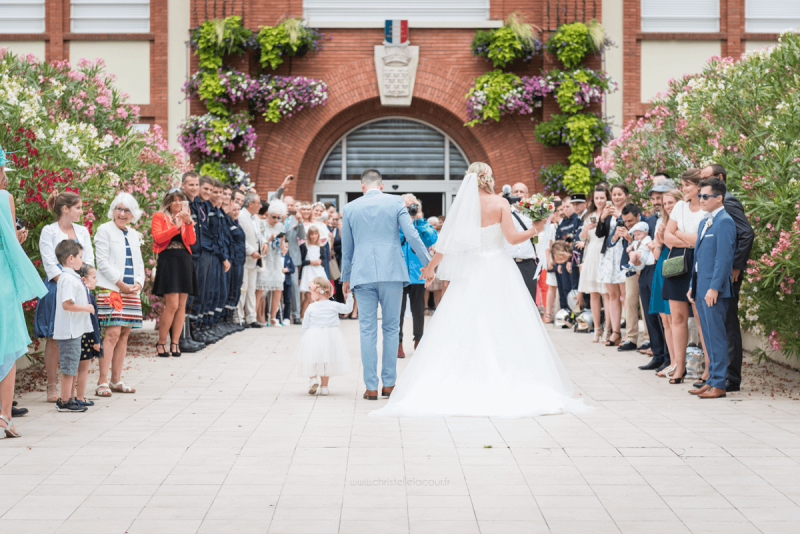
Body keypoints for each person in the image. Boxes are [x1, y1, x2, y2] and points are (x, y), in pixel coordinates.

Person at [371, 163, 591, 417]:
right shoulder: (500, 204)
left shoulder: (463, 206)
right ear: (489, 179)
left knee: (466, 321)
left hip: (472, 269)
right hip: (499, 267)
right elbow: (511, 238)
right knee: (507, 322)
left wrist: (430, 267)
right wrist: (535, 229)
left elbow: (446, 243)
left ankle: (463, 374)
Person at [341, 169, 431, 401]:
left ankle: (371, 387)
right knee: (391, 328)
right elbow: (411, 235)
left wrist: (346, 277)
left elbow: (347, 248)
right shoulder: (395, 203)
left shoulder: (350, 208)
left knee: (367, 330)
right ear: (381, 185)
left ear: (362, 186)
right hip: (392, 271)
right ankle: (389, 385)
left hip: (362, 273)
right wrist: (428, 265)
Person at [35, 190, 94, 402]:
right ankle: (52, 386)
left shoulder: (83, 231)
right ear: (65, 209)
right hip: (57, 286)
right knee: (54, 336)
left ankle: (74, 389)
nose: (81, 211)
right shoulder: (49, 231)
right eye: (78, 207)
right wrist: (67, 283)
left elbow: (88, 259)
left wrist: (86, 281)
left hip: (80, 287)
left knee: (80, 335)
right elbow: (49, 261)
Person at [700, 164, 754, 392]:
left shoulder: (727, 203)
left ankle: (728, 378)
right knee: (717, 326)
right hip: (712, 277)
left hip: (724, 277)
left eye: (705, 179)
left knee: (726, 326)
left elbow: (746, 233)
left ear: (719, 179)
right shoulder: (707, 216)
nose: (700, 190)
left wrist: (736, 267)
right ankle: (717, 377)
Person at [0, 181, 48, 439]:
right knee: (7, 344)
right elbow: (9, 245)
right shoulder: (4, 197)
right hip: (2, 277)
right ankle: (5, 417)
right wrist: (17, 238)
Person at [687, 177, 736, 398]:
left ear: (719, 198)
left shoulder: (725, 221)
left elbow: (724, 259)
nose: (701, 199)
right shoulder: (705, 221)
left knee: (716, 336)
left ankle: (720, 384)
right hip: (700, 287)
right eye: (700, 195)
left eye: (705, 196)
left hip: (713, 290)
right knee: (707, 335)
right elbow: (698, 258)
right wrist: (692, 285)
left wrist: (714, 287)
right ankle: (712, 378)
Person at [94, 193, 146, 396]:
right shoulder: (104, 230)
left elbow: (139, 263)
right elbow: (103, 262)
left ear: (133, 215)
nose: (122, 213)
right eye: (119, 208)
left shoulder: (134, 234)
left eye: (126, 210)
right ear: (113, 210)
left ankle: (116, 380)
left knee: (125, 333)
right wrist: (121, 284)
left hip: (131, 291)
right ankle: (102, 381)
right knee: (112, 333)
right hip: (112, 289)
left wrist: (139, 283)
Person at [662, 169, 709, 384]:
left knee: (701, 318)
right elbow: (666, 237)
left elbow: (703, 240)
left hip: (699, 263)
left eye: (687, 185)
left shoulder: (708, 208)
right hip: (677, 264)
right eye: (682, 185)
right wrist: (688, 239)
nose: (684, 189)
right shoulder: (680, 206)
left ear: (698, 186)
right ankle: (679, 368)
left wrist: (678, 234)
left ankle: (708, 370)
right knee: (678, 317)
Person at [151, 189, 198, 357]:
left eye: (181, 200)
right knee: (171, 305)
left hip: (184, 260)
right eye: (174, 200)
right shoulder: (159, 216)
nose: (178, 203)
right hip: (168, 260)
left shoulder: (185, 218)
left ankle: (175, 343)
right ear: (168, 202)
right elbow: (158, 238)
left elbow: (191, 241)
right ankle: (161, 342)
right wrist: (176, 227)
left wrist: (188, 223)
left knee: (182, 306)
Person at [52, 240, 93, 413]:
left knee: (72, 365)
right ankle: (65, 400)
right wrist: (86, 307)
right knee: (69, 367)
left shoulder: (71, 277)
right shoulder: (68, 279)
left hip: (74, 331)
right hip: (69, 332)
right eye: (80, 257)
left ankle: (68, 398)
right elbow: (67, 304)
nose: (81, 261)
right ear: (70, 258)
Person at [296, 277, 354, 396]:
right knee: (326, 361)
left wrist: (303, 338)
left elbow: (305, 324)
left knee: (311, 359)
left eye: (311, 293)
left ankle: (313, 380)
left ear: (317, 292)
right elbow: (348, 309)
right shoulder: (333, 305)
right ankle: (324, 387)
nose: (311, 296)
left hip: (313, 335)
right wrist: (349, 296)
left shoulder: (311, 307)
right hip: (330, 336)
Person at [398, 194, 438, 358]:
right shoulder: (396, 223)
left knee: (418, 310)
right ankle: (398, 343)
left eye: (413, 207)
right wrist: (404, 223)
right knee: (397, 312)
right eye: (406, 208)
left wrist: (419, 220)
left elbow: (431, 239)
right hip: (398, 273)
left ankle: (418, 340)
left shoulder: (422, 223)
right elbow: (393, 240)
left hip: (417, 274)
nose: (410, 211)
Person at [650, 188, 683, 377]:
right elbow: (656, 254)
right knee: (664, 317)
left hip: (675, 266)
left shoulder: (683, 221)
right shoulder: (662, 222)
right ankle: (672, 361)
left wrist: (665, 240)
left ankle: (680, 362)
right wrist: (660, 241)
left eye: (671, 202)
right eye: (665, 204)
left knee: (673, 316)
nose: (668, 207)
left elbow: (680, 246)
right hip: (662, 265)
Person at [596, 184, 629, 347]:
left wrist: (620, 215)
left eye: (619, 194)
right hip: (609, 255)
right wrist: (602, 219)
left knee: (626, 296)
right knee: (612, 295)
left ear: (626, 195)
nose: (616, 197)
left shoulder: (629, 210)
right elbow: (599, 234)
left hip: (624, 254)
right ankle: (616, 332)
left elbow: (634, 228)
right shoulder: (608, 212)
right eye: (614, 195)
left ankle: (630, 332)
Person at [178, 172, 206, 353]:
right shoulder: (182, 203)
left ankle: (188, 335)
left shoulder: (197, 204)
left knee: (191, 297)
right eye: (191, 184)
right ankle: (182, 338)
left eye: (197, 184)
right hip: (186, 254)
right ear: (183, 185)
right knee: (185, 300)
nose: (195, 188)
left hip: (196, 254)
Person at [577, 186, 609, 342]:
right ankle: (597, 328)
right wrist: (587, 228)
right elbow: (583, 238)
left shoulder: (609, 214)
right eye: (597, 198)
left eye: (602, 197)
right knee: (594, 294)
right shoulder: (589, 216)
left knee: (606, 293)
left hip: (605, 254)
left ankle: (608, 329)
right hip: (591, 254)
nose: (599, 201)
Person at [190, 175, 218, 344]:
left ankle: (199, 328)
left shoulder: (203, 206)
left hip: (207, 251)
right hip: (197, 253)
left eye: (210, 189)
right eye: (205, 188)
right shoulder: (193, 205)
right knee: (196, 293)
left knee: (205, 292)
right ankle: (191, 331)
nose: (208, 192)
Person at [503, 183, 540, 304]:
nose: (518, 195)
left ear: (527, 195)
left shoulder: (534, 213)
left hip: (528, 264)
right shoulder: (505, 212)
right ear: (510, 195)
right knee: (510, 299)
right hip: (509, 263)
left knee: (529, 299)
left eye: (521, 192)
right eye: (515, 192)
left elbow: (537, 236)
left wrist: (536, 252)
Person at [75, 264, 101, 407]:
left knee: (74, 368)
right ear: (84, 280)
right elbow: (94, 320)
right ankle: (80, 396)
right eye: (94, 277)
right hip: (87, 336)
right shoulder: (88, 296)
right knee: (83, 369)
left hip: (77, 334)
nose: (96, 281)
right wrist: (97, 340)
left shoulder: (79, 293)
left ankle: (73, 395)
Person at [258, 202, 287, 326]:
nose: (276, 220)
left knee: (278, 287)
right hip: (265, 259)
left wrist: (280, 241)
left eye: (278, 217)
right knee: (261, 288)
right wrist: (269, 239)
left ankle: (274, 317)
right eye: (274, 217)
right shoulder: (262, 225)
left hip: (275, 259)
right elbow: (260, 242)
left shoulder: (281, 226)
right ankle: (254, 316)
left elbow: (283, 249)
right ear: (268, 215)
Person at [238, 194, 262, 328]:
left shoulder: (256, 218)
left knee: (252, 289)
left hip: (255, 260)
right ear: (250, 204)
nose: (260, 206)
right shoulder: (241, 216)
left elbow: (260, 235)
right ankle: (240, 317)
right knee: (243, 288)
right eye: (258, 203)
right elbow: (241, 238)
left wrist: (264, 244)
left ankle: (251, 317)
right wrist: (251, 250)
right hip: (245, 258)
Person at [222, 196, 246, 332]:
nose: (236, 212)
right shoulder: (228, 223)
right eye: (234, 209)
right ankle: (225, 319)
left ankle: (230, 318)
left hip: (240, 260)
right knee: (231, 290)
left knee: (236, 290)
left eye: (238, 209)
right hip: (233, 259)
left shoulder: (237, 224)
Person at [554, 197, 581, 312]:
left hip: (574, 259)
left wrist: (570, 260)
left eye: (568, 207)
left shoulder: (577, 221)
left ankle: (578, 312)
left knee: (575, 287)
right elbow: (558, 243)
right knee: (565, 288)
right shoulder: (562, 224)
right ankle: (568, 312)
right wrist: (560, 262)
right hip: (563, 261)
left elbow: (574, 242)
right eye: (563, 207)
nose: (565, 209)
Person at [282, 196, 306, 325]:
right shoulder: (278, 218)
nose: (290, 208)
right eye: (287, 205)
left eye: (292, 205)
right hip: (279, 257)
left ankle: (296, 315)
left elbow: (302, 237)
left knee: (295, 287)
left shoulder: (295, 221)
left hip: (293, 258)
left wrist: (300, 222)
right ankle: (278, 315)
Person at [299, 226, 327, 317]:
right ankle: (302, 315)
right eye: (312, 234)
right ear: (308, 235)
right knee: (308, 295)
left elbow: (324, 260)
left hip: (318, 272)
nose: (314, 236)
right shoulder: (304, 246)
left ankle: (314, 316)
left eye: (315, 234)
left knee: (318, 295)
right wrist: (310, 262)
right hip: (308, 272)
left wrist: (320, 262)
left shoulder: (321, 247)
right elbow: (301, 261)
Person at [280, 241, 295, 325]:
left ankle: (286, 317)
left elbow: (293, 269)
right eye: (283, 246)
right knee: (278, 300)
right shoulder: (277, 257)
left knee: (287, 300)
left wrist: (287, 270)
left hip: (287, 282)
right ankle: (278, 317)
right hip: (279, 281)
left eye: (286, 247)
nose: (285, 249)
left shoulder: (289, 258)